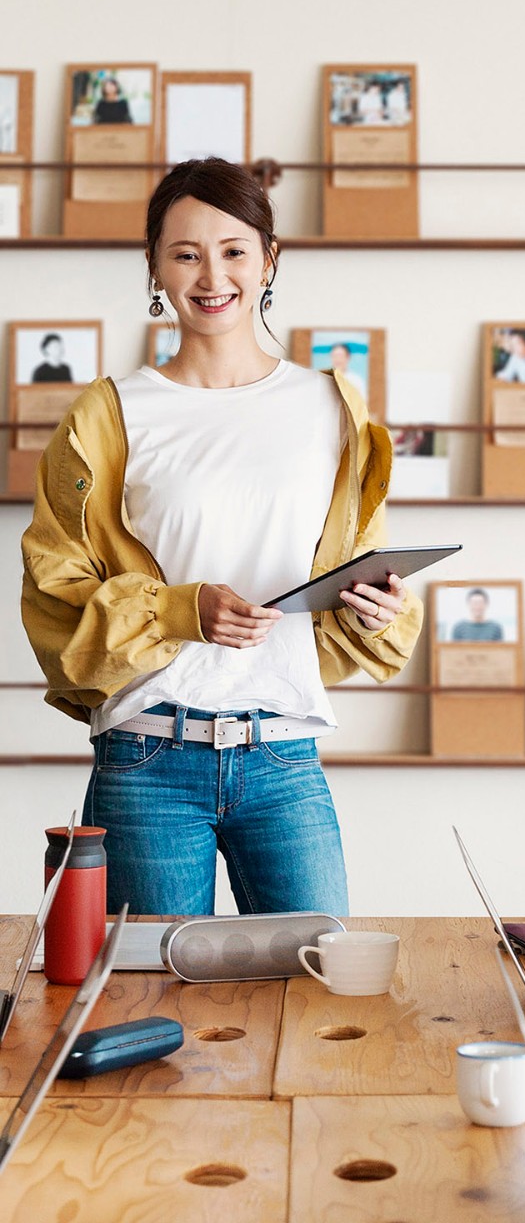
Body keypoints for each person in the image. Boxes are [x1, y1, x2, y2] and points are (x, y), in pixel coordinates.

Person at [20, 156, 423, 918]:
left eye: (234, 249)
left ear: (270, 259)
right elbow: (53, 593)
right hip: (145, 756)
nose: (213, 275)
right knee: (157, 1009)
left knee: (318, 990)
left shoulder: (331, 407)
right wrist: (180, 610)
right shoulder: (108, 415)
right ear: (155, 268)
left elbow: (357, 566)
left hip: (284, 752)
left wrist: (376, 605)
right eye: (186, 253)